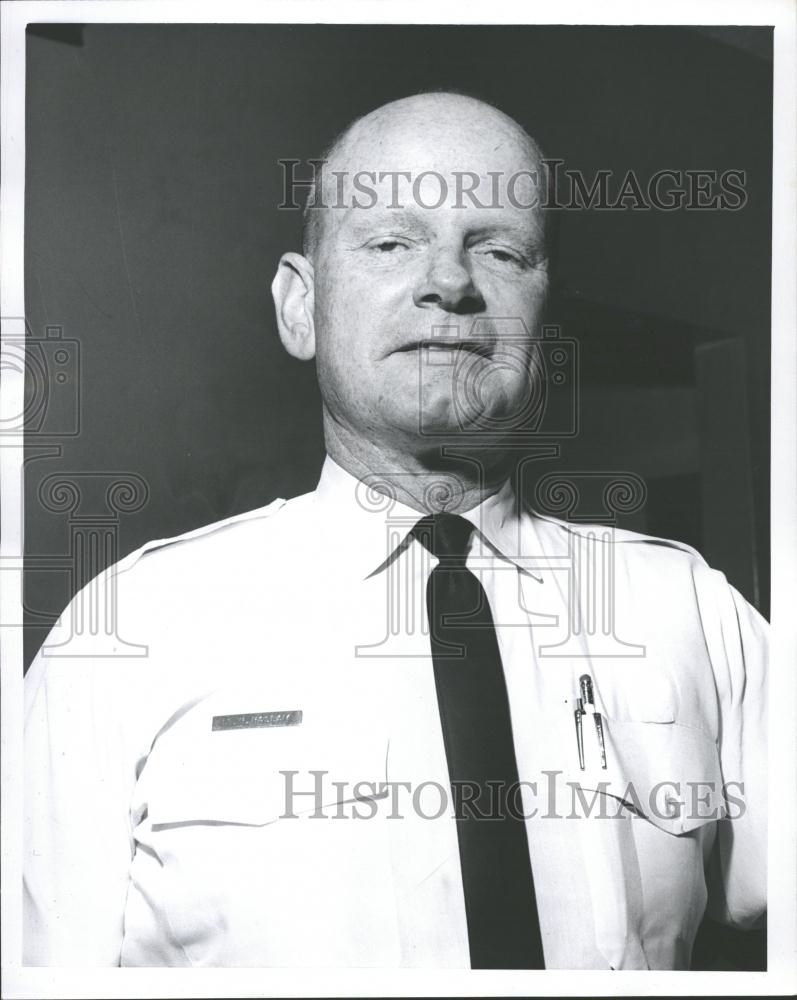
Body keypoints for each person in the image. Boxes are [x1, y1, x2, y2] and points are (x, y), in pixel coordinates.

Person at [23, 92, 767, 970]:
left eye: (498, 249)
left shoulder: (690, 609)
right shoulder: (127, 634)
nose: (449, 283)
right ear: (299, 307)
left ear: (544, 315)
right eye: (390, 242)